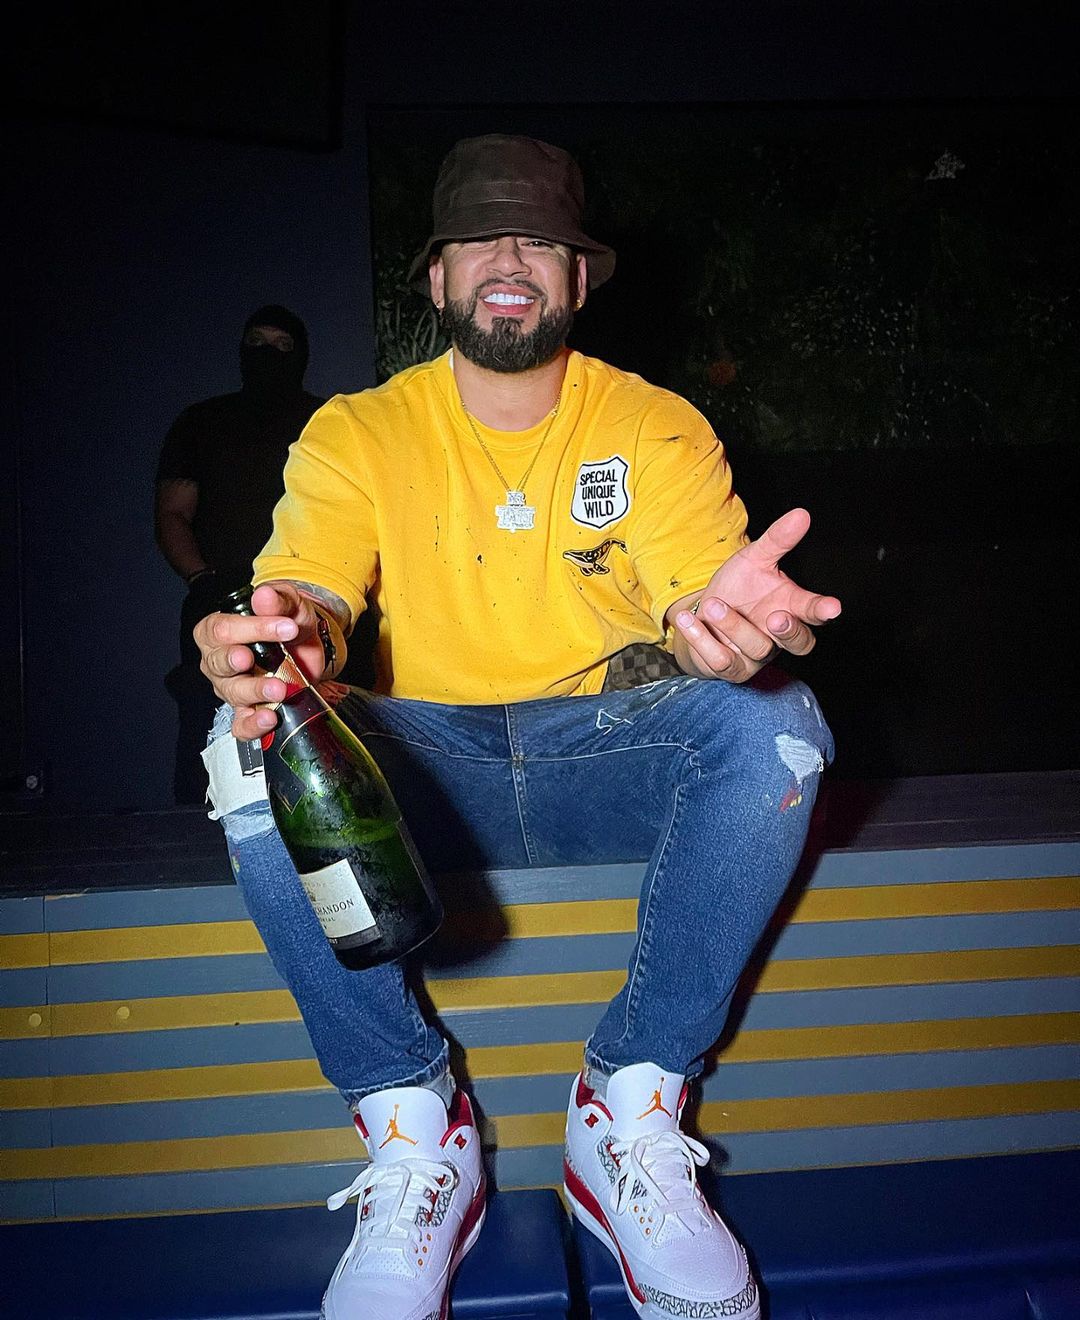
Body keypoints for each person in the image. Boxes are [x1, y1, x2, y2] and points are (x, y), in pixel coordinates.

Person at [195, 135, 840, 1320]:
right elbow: (312, 592)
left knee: (778, 726)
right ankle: (414, 1123)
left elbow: (698, 592)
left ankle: (629, 1104)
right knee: (251, 741)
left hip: (604, 753)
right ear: (437, 278)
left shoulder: (653, 425)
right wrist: (283, 636)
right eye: (478, 239)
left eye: (539, 241)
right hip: (427, 767)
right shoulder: (357, 431)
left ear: (578, 279)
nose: (508, 260)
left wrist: (722, 628)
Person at [155, 306, 324, 802]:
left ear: (300, 355)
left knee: (318, 729)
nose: (269, 354)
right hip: (219, 601)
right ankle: (197, 834)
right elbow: (172, 514)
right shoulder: (201, 422)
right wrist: (202, 580)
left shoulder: (327, 422)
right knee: (209, 730)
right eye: (257, 342)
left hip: (307, 605)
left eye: (282, 345)